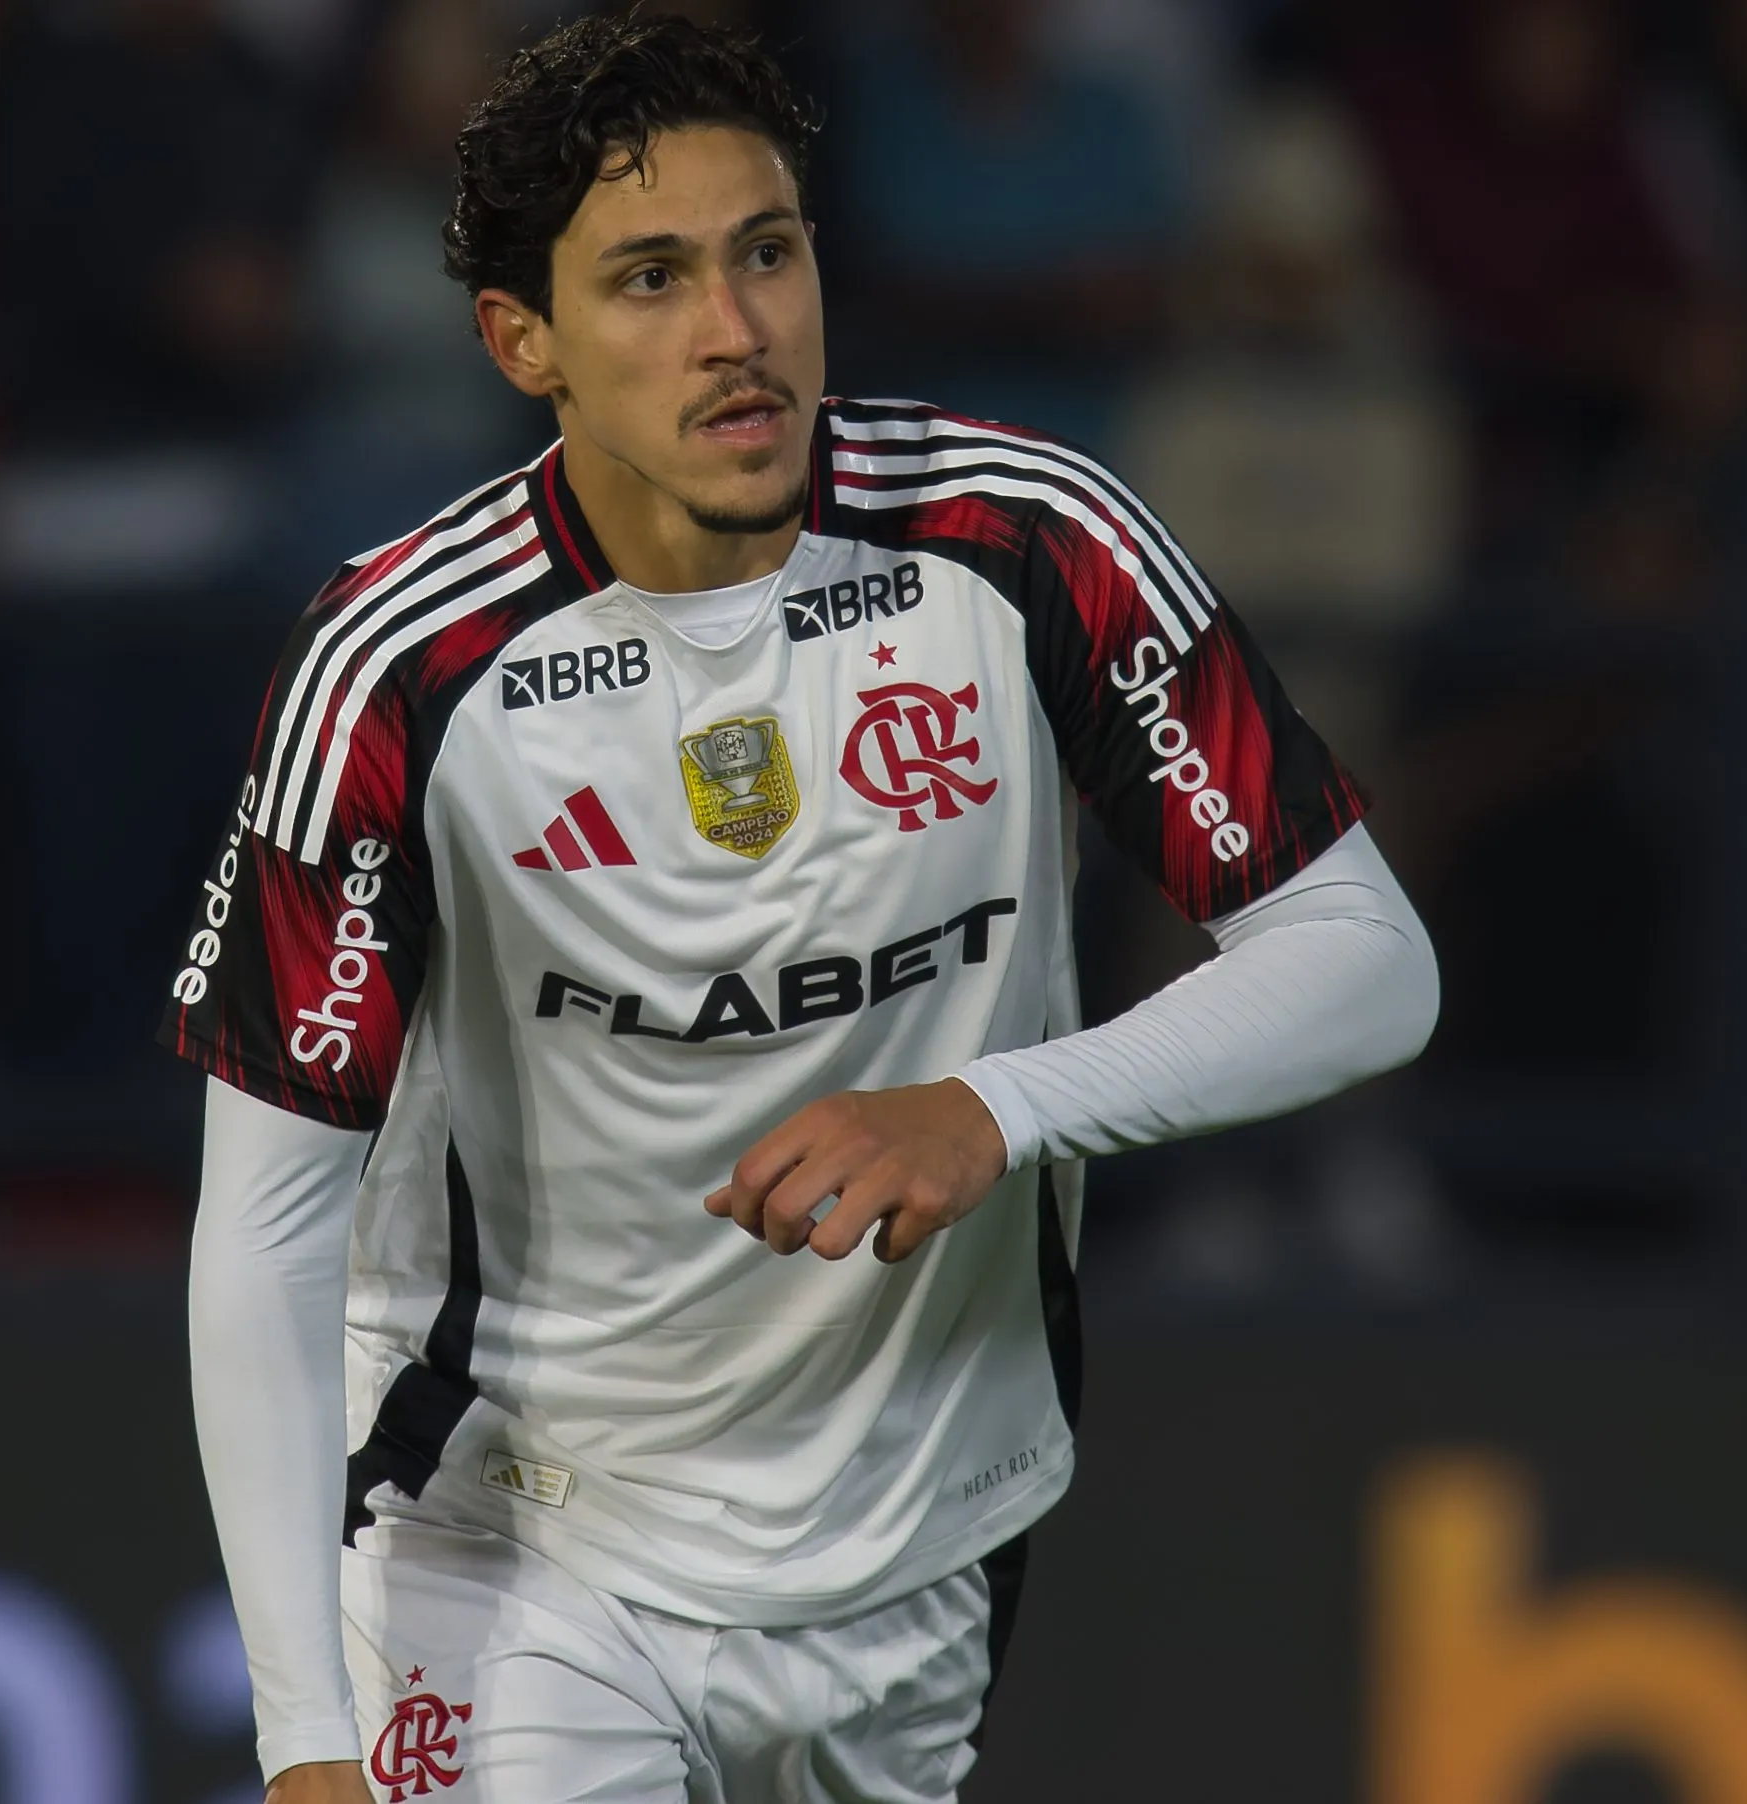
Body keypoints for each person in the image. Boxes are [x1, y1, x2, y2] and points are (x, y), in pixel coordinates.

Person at [166, 15, 1436, 1804]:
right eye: (649, 278)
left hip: (919, 1542)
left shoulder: (1028, 542)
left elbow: (1368, 961)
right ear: (520, 341)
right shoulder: (400, 666)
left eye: (769, 251)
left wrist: (994, 1107)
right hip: (523, 1549)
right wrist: (304, 1735)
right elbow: (273, 1220)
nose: (735, 331)